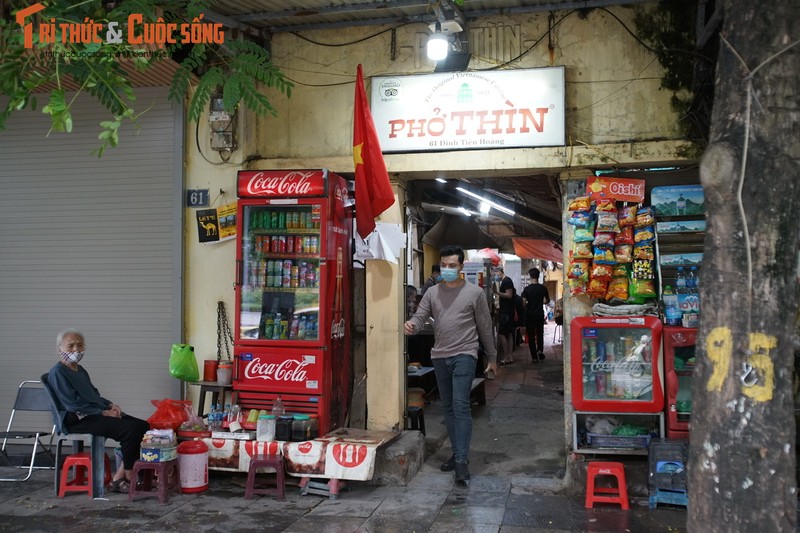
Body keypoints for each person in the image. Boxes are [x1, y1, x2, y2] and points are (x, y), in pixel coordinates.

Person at [404, 245, 497, 485]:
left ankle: (462, 462)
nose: (447, 269)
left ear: (461, 267)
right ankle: (457, 453)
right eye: (443, 266)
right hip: (440, 356)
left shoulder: (474, 293)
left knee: (460, 405)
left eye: (452, 266)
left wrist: (493, 358)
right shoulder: (433, 293)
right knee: (448, 408)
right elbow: (420, 315)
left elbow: (485, 328)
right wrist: (412, 324)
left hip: (465, 354)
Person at [48, 329, 150, 493]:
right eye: (71, 346)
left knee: (143, 426)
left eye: (79, 345)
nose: (76, 350)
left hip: (94, 414)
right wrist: (103, 413)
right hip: (76, 420)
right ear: (59, 349)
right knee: (130, 431)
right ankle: (129, 475)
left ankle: (118, 476)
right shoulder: (58, 372)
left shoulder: (80, 370)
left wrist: (110, 405)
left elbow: (93, 395)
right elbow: (72, 405)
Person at [521, 267, 550, 362]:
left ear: (530, 276)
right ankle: (540, 350)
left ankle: (534, 357)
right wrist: (540, 301)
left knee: (531, 335)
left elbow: (524, 304)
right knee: (540, 333)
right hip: (539, 314)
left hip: (530, 315)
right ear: (538, 276)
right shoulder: (543, 288)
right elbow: (546, 301)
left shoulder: (526, 290)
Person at [492, 266, 516, 365]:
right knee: (509, 334)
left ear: (500, 272)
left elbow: (509, 295)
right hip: (507, 311)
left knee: (502, 333)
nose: (495, 275)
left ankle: (506, 356)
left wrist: (496, 292)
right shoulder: (506, 281)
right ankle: (509, 356)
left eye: (495, 273)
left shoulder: (506, 281)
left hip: (506, 312)